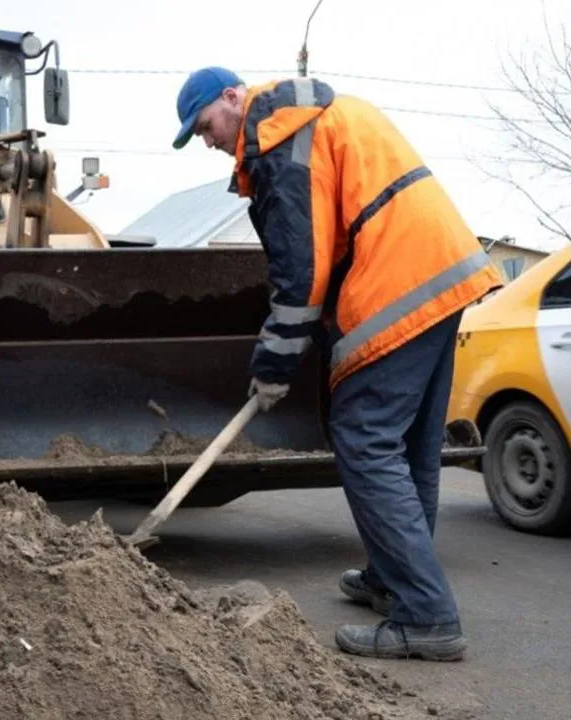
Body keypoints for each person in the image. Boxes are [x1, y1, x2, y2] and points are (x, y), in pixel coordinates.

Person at [171, 67, 501, 661]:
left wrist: (272, 363)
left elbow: (302, 273)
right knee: (411, 447)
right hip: (443, 269)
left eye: (204, 126)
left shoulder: (278, 143)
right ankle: (391, 580)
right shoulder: (311, 119)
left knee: (366, 439)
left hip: (398, 281)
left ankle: (426, 617)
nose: (206, 140)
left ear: (230, 98)